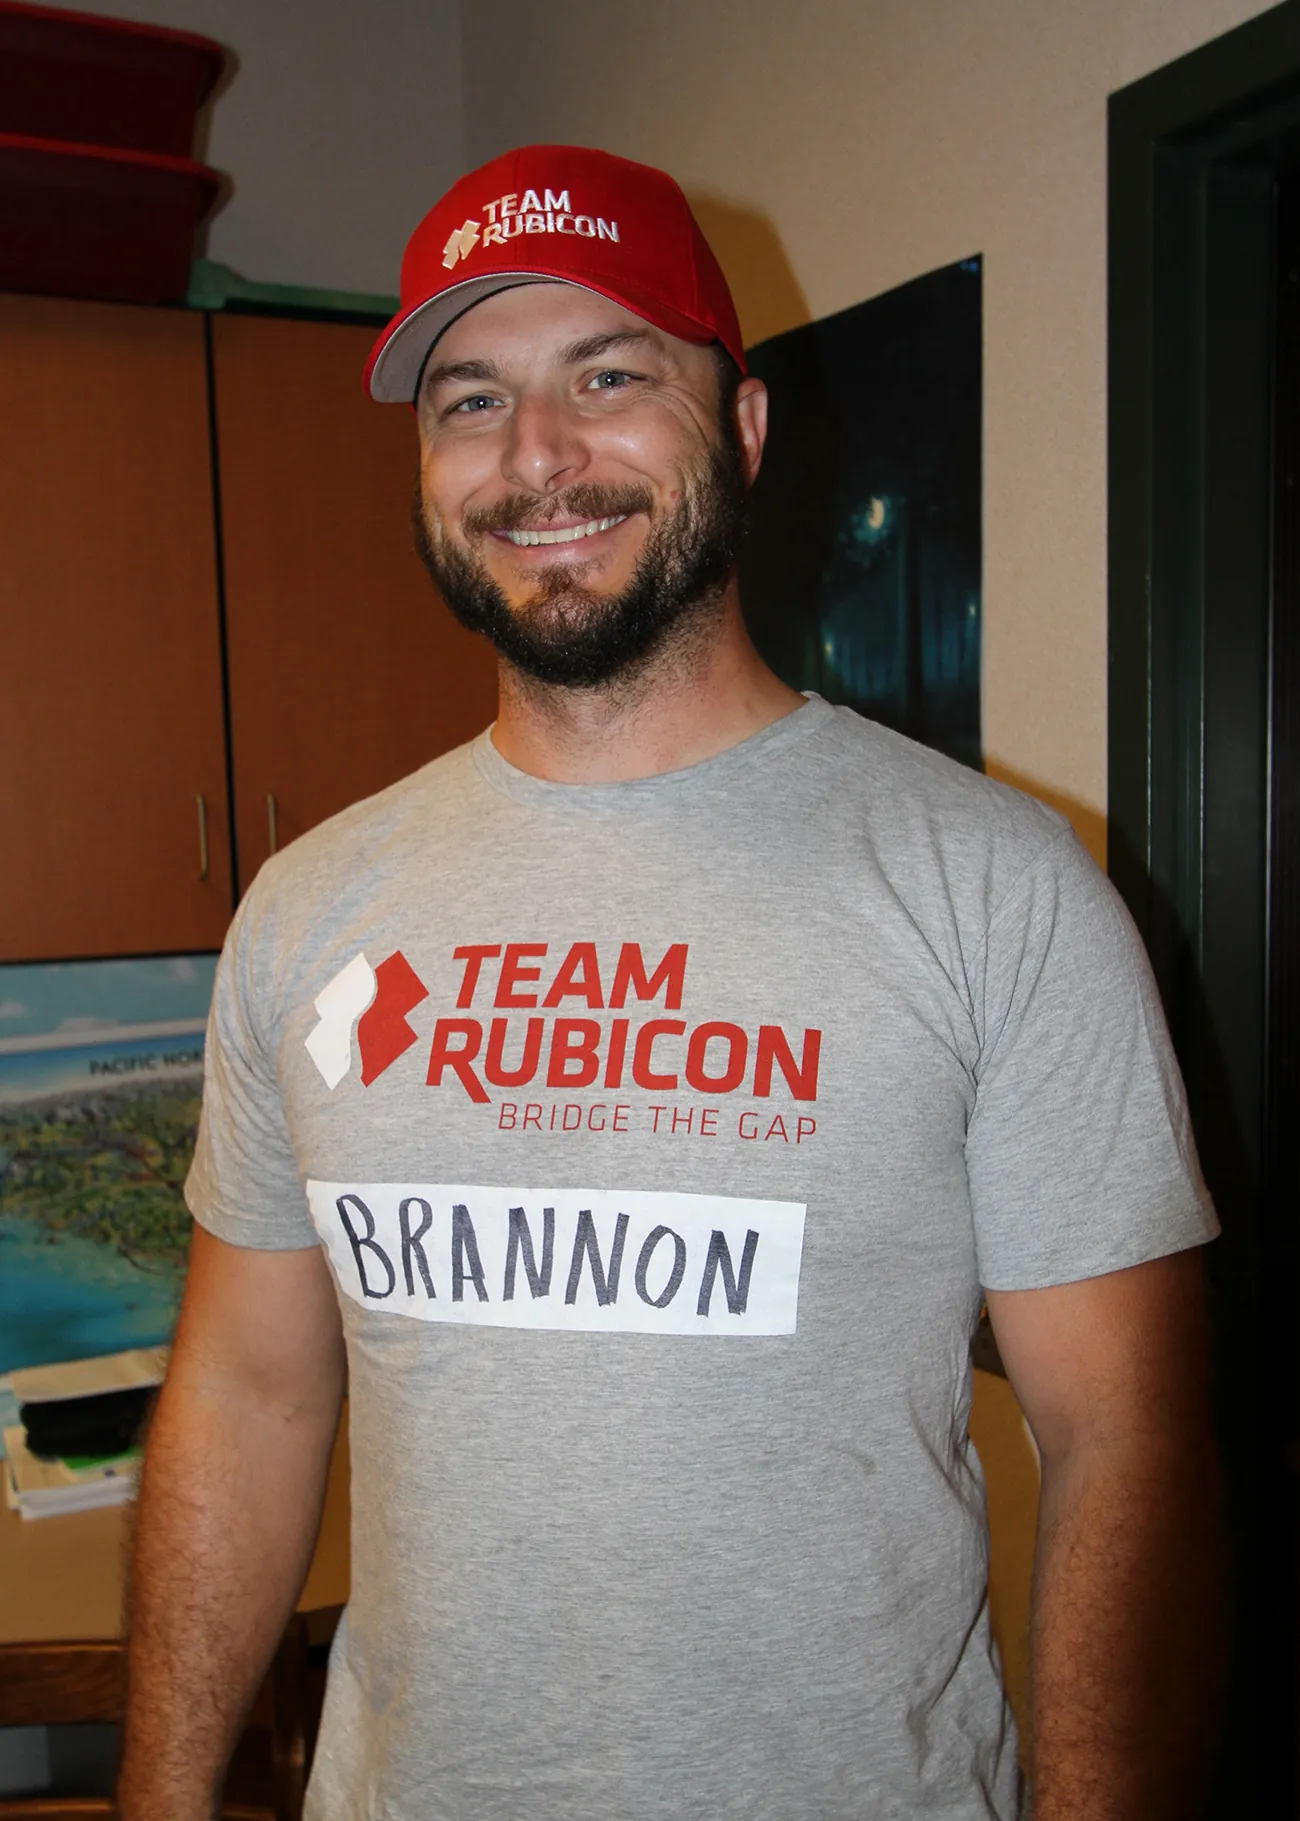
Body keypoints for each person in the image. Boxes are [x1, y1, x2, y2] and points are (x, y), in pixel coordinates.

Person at [119, 145, 1223, 1821]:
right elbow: (248, 1394)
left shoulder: (995, 889)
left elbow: (1125, 1442)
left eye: (611, 376)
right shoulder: (309, 912)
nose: (536, 456)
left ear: (746, 427)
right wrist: (158, 1800)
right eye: (471, 400)